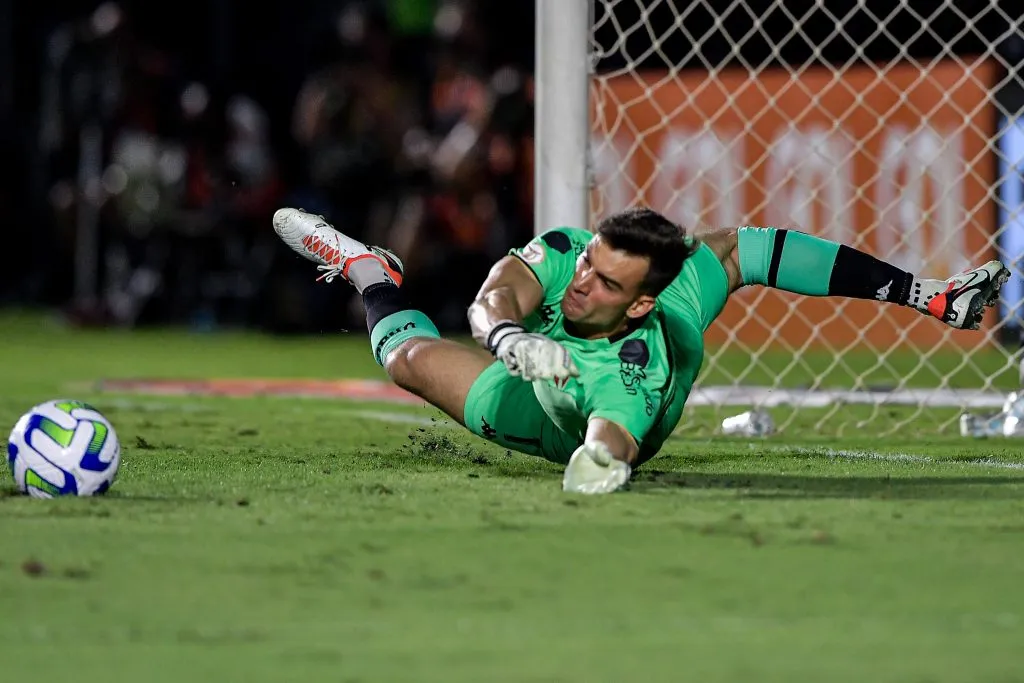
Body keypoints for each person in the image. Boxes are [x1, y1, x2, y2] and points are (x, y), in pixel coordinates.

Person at [271, 206, 1009, 494]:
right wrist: (511, 336)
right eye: (590, 262)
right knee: (739, 246)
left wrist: (596, 463)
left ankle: (372, 276)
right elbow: (495, 292)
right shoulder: (573, 257)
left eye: (605, 281)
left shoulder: (633, 370)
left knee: (408, 362)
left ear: (643, 302)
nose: (582, 282)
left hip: (555, 406)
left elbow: (612, 440)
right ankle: (372, 268)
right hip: (527, 356)